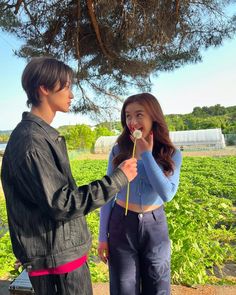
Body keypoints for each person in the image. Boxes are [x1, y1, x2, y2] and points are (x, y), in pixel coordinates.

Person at [1, 57, 137, 295]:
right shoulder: (32, 142)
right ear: (43, 89)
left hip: (58, 255)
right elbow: (62, 203)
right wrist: (118, 179)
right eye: (66, 86)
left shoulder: (38, 135)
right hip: (57, 263)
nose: (71, 94)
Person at [98, 93, 182, 295]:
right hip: (121, 222)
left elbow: (167, 193)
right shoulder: (119, 150)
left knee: (158, 284)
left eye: (139, 115)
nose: (132, 122)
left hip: (155, 225)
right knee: (123, 285)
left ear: (153, 117)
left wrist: (146, 155)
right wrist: (102, 237)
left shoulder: (171, 154)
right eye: (128, 116)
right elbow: (109, 193)